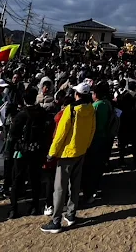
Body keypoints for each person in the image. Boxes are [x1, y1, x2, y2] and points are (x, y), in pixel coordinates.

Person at [41, 82, 96, 234]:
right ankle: (71, 214)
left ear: (77, 94)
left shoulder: (71, 109)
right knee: (75, 185)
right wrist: (85, 146)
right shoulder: (90, 108)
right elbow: (92, 130)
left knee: (59, 188)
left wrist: (52, 152)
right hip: (80, 151)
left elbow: (60, 134)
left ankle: (56, 220)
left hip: (66, 153)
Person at [7, 86, 52, 218]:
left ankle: (13, 209)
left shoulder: (21, 115)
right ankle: (34, 206)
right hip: (37, 150)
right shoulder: (43, 113)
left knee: (17, 179)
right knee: (35, 179)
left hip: (21, 151)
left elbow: (12, 134)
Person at [81, 80, 113, 204]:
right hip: (105, 137)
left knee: (91, 166)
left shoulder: (96, 106)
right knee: (99, 164)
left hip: (94, 138)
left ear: (96, 94)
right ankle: (96, 186)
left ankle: (90, 189)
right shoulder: (107, 103)